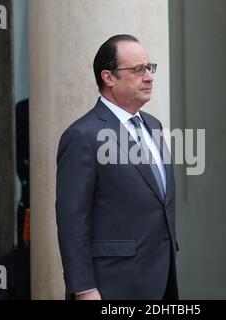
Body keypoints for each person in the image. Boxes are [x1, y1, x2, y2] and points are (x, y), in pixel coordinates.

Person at [55, 34, 178, 300]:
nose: (149, 77)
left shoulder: (153, 126)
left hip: (161, 279)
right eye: (137, 70)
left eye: (149, 68)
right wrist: (84, 288)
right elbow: (72, 221)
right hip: (112, 285)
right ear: (108, 77)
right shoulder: (82, 135)